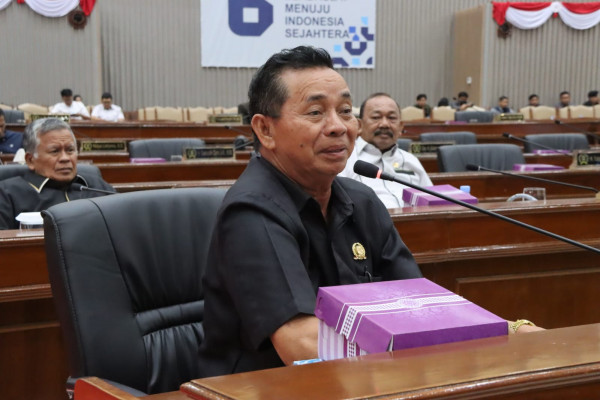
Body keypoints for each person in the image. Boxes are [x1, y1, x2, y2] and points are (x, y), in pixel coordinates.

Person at [197, 46, 424, 378]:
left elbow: (420, 303)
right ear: (265, 130)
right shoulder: (251, 211)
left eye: (345, 111)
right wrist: (408, 369)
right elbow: (302, 345)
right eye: (315, 112)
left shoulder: (362, 201)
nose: (338, 127)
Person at [0, 118, 114, 229]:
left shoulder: (97, 186)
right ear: (30, 160)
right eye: (55, 151)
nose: (65, 158)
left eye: (70, 150)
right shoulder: (7, 194)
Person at [339, 93, 433, 208]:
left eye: (391, 118)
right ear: (359, 125)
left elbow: (433, 202)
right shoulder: (344, 159)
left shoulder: (411, 160)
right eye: (376, 117)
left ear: (400, 127)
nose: (384, 124)